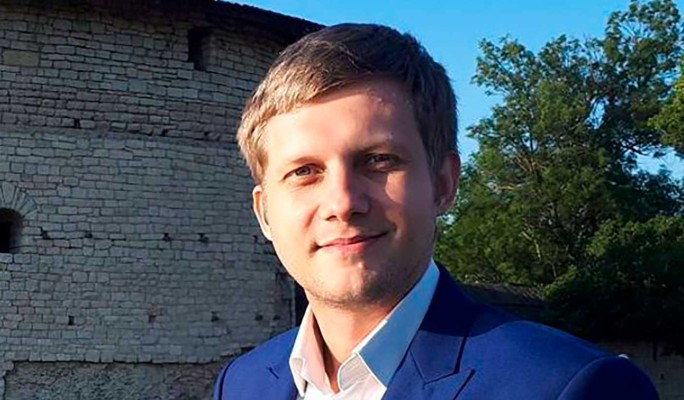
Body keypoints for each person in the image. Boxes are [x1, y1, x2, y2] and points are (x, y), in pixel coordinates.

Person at [213, 23, 658, 400]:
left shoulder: (570, 386)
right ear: (264, 212)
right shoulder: (240, 385)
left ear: (443, 183)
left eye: (378, 160)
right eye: (305, 171)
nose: (343, 203)